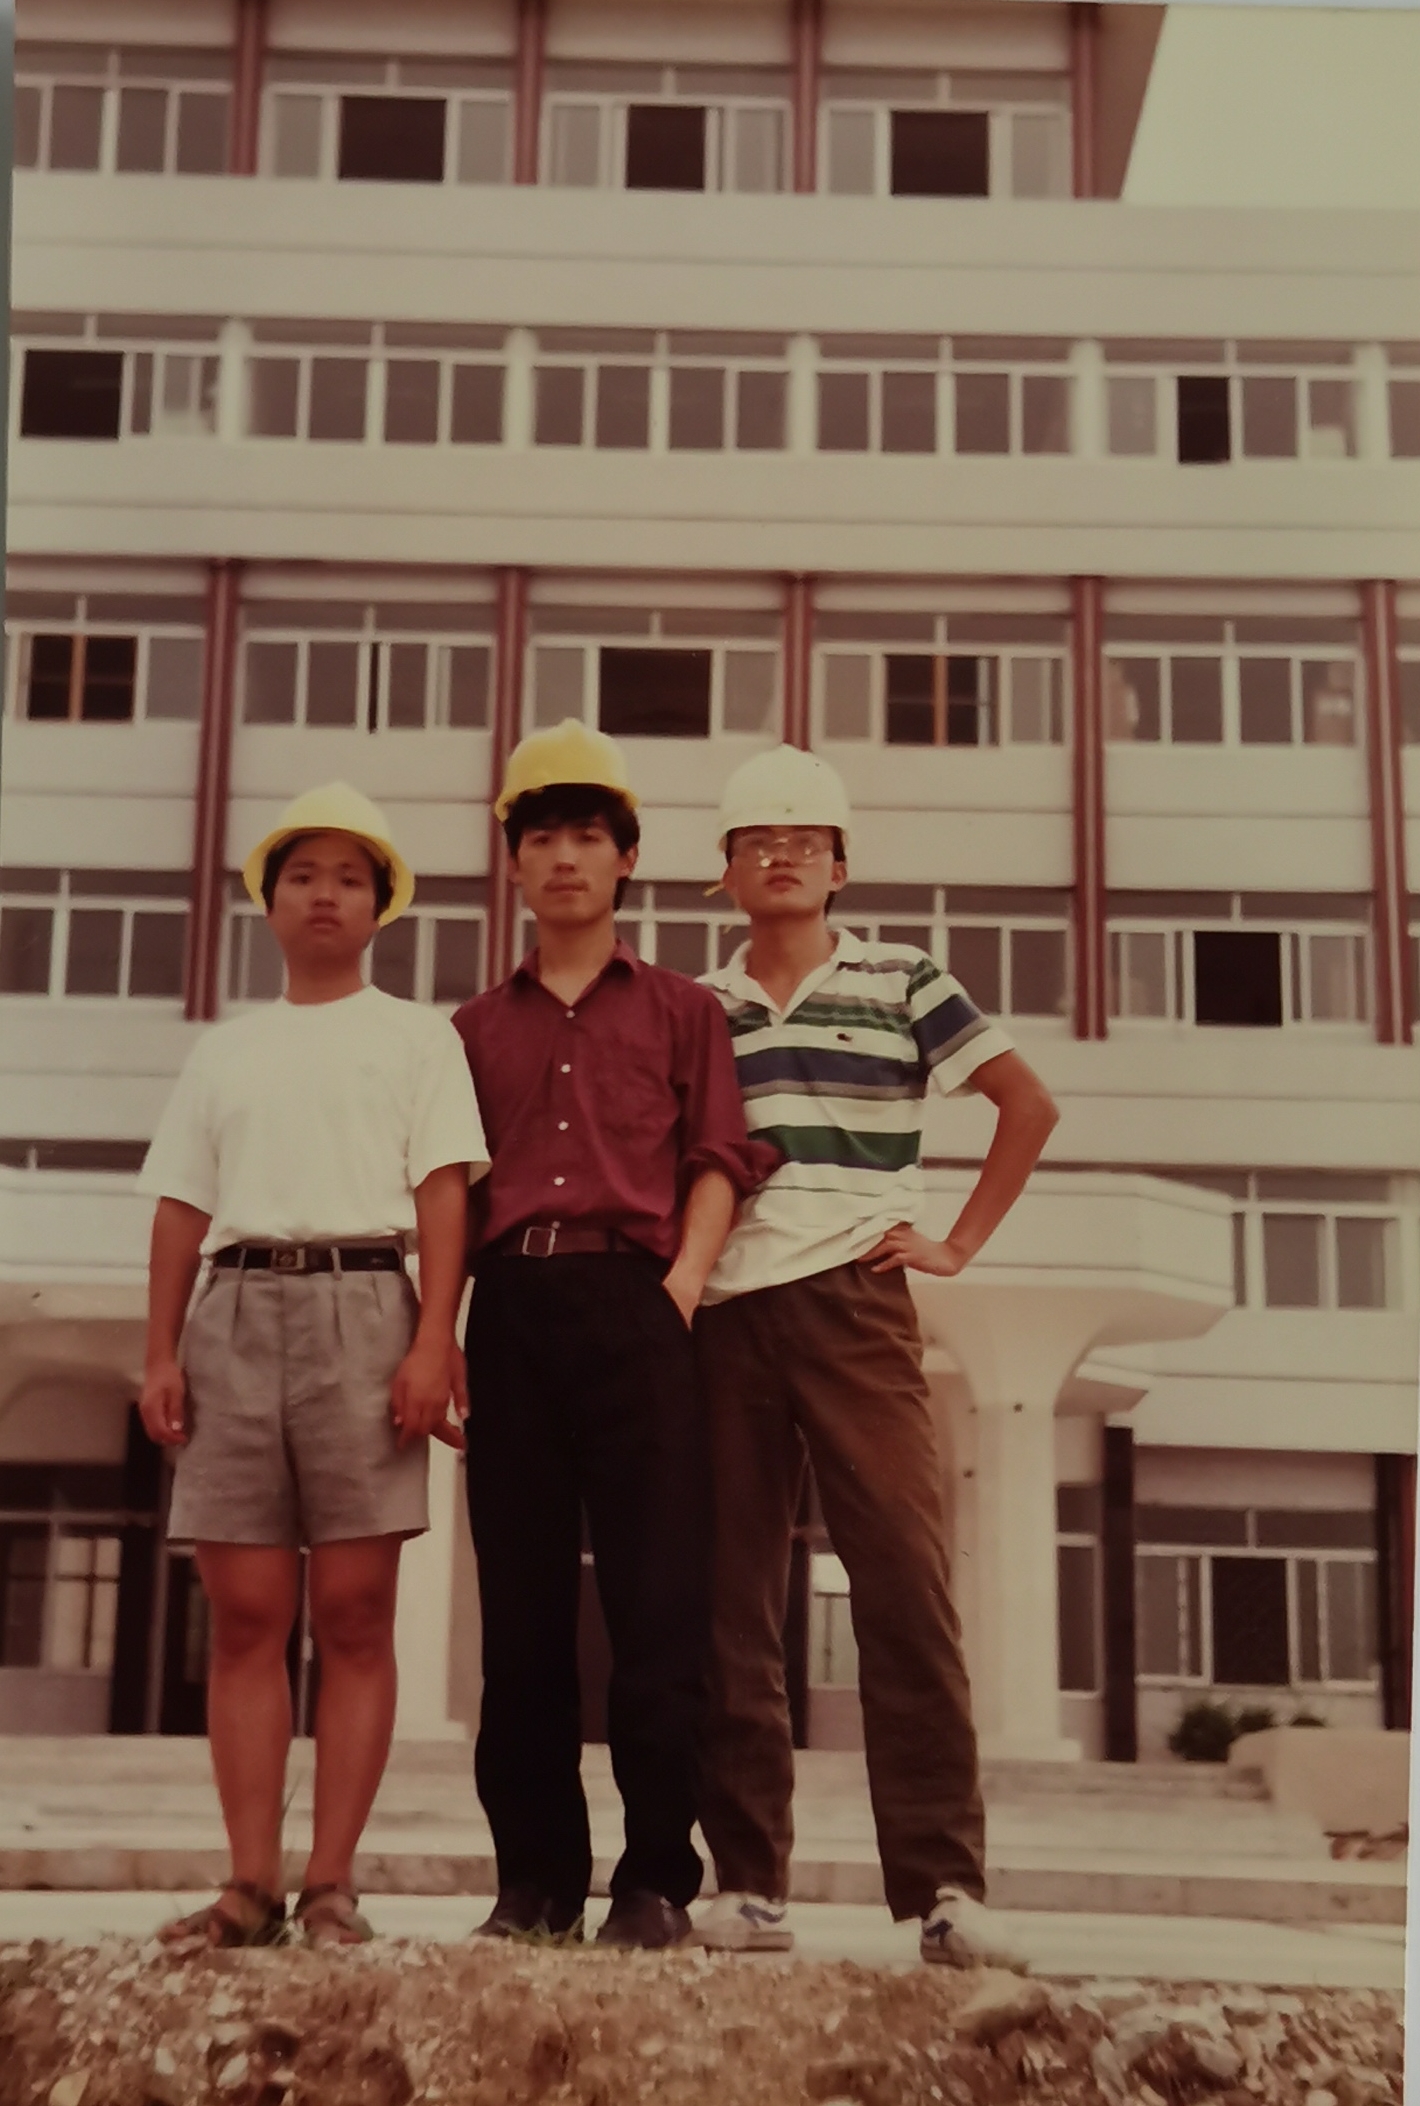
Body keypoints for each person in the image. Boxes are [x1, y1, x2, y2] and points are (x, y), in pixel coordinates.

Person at [692, 745, 1060, 1968]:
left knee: (904, 1583)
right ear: (727, 870)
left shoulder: (902, 976)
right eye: (757, 840)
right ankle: (746, 1884)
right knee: (731, 1603)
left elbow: (1027, 1104)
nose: (781, 854)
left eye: (804, 839)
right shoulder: (700, 1005)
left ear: (840, 865)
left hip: (857, 1305)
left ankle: (944, 1891)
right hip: (727, 1315)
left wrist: (956, 1242)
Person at [137, 782, 488, 1951]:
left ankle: (331, 1884)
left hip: (365, 1307)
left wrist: (434, 1337)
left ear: (379, 904)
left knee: (353, 1609)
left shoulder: (418, 1037)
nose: (324, 894)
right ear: (270, 902)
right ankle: (248, 1885)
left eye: (347, 876)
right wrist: (159, 1351)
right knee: (244, 1614)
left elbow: (443, 1190)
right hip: (233, 1313)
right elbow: (181, 1205)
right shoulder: (225, 1050)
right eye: (302, 876)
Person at [452, 720, 779, 1952]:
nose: (564, 858)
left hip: (641, 1307)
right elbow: (448, 1191)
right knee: (522, 1611)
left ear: (626, 858)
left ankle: (653, 1881)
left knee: (658, 1607)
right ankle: (534, 1882)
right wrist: (444, 1332)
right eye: (541, 837)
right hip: (512, 1310)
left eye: (588, 836)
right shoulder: (471, 1029)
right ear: (514, 864)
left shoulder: (685, 1011)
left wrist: (679, 1288)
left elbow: (720, 1155)